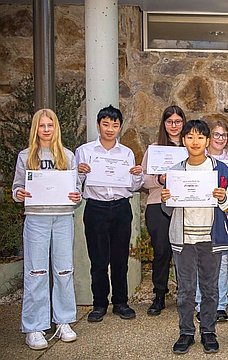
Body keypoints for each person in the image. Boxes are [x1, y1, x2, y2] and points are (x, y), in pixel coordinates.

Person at [160, 120, 228, 354]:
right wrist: (166, 198)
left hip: (211, 238)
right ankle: (185, 332)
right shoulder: (175, 171)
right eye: (190, 137)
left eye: (200, 137)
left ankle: (208, 331)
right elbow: (168, 210)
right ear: (184, 141)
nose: (195, 142)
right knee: (185, 289)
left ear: (207, 141)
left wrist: (222, 198)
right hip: (183, 239)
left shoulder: (220, 170)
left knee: (210, 288)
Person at [12, 109, 81, 350]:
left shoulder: (68, 156)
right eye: (42, 126)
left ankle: (63, 321)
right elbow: (17, 187)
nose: (46, 129)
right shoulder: (25, 156)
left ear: (56, 127)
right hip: (36, 219)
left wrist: (76, 195)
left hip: (62, 218)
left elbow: (77, 190)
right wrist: (18, 194)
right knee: (36, 271)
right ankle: (34, 326)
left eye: (50, 125)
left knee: (64, 270)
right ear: (36, 129)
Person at [76, 105, 143, 323]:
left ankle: (121, 302)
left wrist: (136, 175)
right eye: (106, 124)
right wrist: (79, 173)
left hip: (121, 207)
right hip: (95, 207)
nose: (110, 129)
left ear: (120, 127)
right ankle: (99, 304)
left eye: (115, 125)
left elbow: (133, 187)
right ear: (98, 125)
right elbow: (76, 185)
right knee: (98, 259)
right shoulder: (85, 152)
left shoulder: (127, 153)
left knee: (120, 258)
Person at [194, 119, 228, 322]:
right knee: (201, 263)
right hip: (200, 217)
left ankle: (221, 305)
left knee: (221, 263)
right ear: (208, 138)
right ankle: (200, 304)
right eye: (216, 134)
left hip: (225, 218)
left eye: (224, 135)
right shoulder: (197, 160)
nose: (220, 139)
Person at [141, 105, 185, 316]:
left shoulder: (191, 147)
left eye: (178, 122)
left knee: (185, 251)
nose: (174, 126)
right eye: (170, 122)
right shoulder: (155, 148)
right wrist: (159, 179)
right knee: (161, 251)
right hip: (158, 204)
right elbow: (143, 180)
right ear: (164, 124)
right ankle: (159, 295)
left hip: (184, 204)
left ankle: (186, 295)